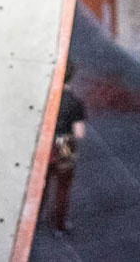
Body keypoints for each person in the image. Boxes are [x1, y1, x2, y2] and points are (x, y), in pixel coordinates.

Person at [44, 61, 88, 232]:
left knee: (42, 182)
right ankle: (58, 225)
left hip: (46, 142)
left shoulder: (48, 96)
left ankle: (37, 217)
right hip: (65, 145)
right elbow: (79, 133)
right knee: (63, 187)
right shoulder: (75, 102)